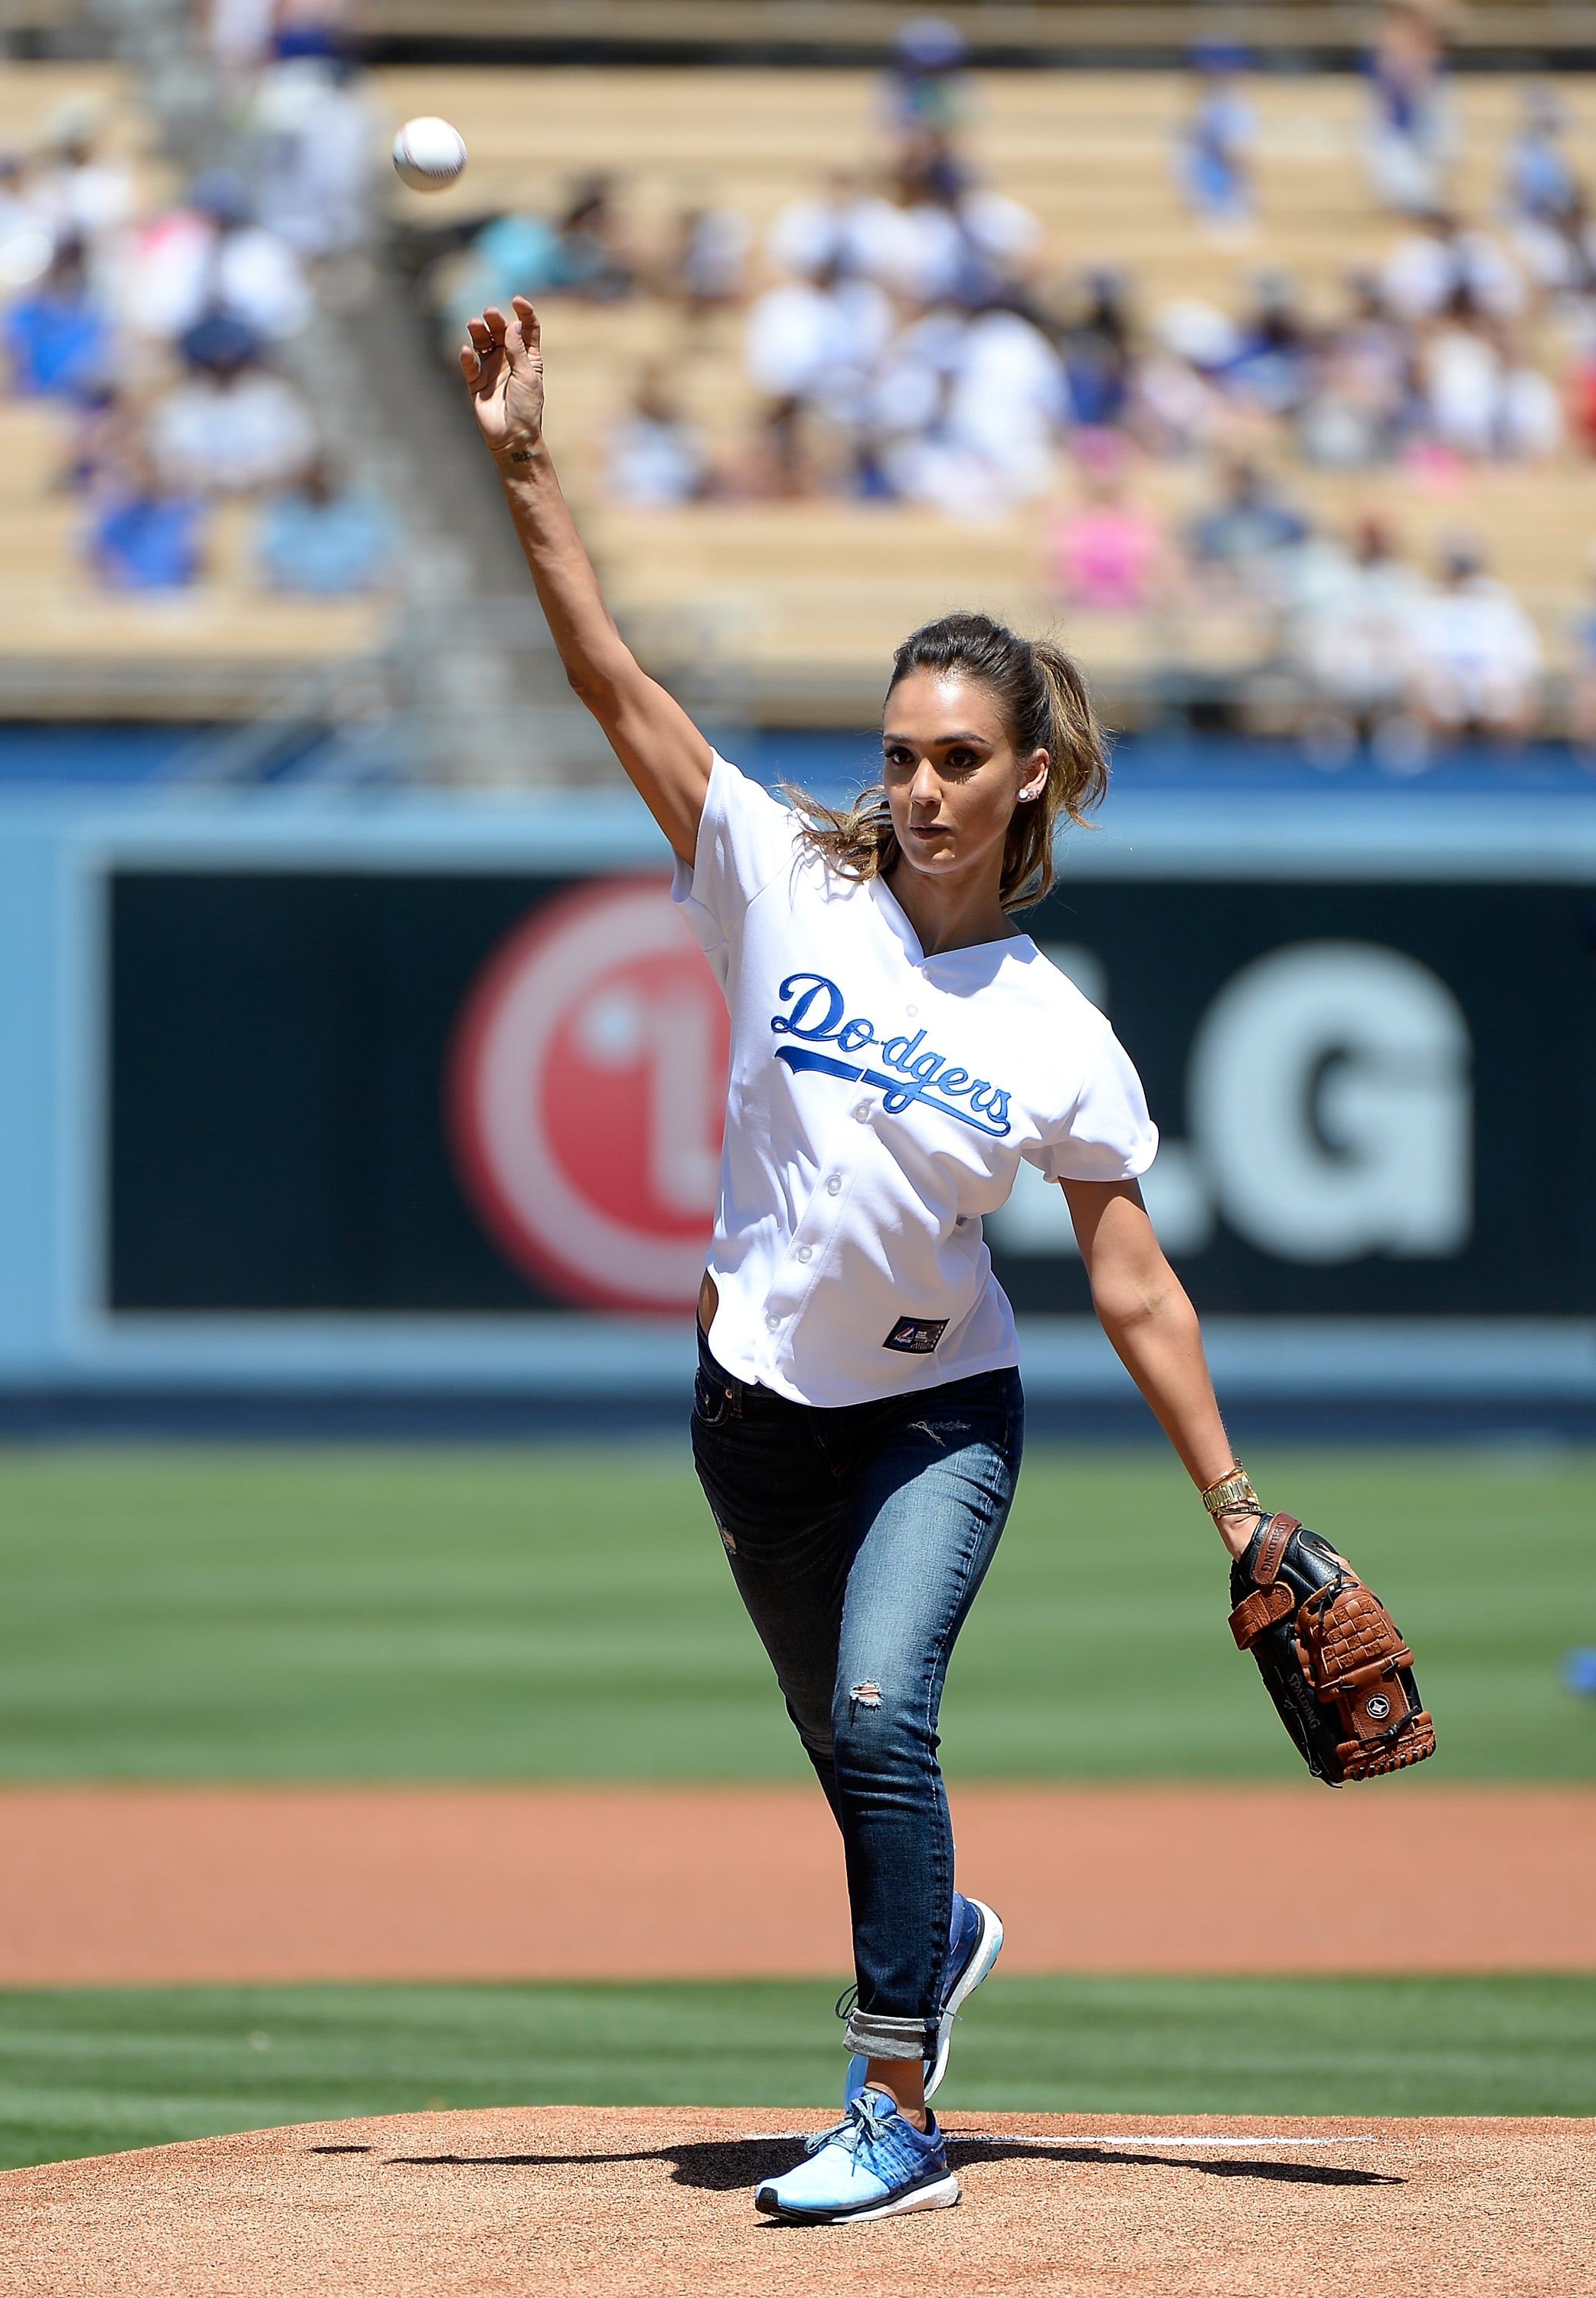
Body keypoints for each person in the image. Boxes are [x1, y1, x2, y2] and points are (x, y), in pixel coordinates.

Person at [460, 291, 1279, 2228]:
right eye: (899, 749)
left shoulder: (1050, 1028)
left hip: (938, 1415)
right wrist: (524, 470)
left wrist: (1238, 1512)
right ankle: (941, 1930)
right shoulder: (778, 878)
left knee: (888, 1720)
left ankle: (890, 2102)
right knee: (854, 1755)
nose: (915, 783)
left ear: (1028, 784)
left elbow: (1135, 1284)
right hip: (750, 1414)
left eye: (955, 756)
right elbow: (611, 683)